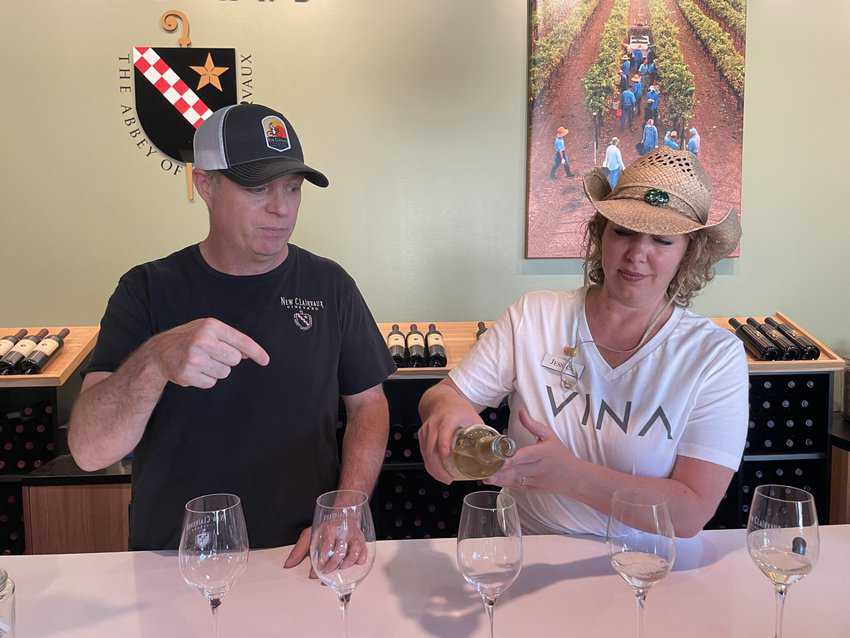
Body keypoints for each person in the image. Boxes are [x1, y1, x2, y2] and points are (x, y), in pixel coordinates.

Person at [68, 103, 395, 558]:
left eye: (293, 188)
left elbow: (369, 406)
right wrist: (158, 359)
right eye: (258, 188)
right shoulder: (146, 289)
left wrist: (346, 509)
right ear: (205, 184)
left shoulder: (330, 285)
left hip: (301, 556)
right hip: (178, 562)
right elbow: (89, 450)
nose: (281, 208)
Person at [418, 148, 746, 539]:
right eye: (623, 231)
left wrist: (569, 475)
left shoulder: (714, 356)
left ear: (689, 254)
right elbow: (445, 395)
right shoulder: (535, 315)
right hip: (528, 553)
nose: (637, 254)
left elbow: (689, 512)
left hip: (647, 569)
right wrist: (447, 413)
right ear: (599, 234)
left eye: (661, 240)